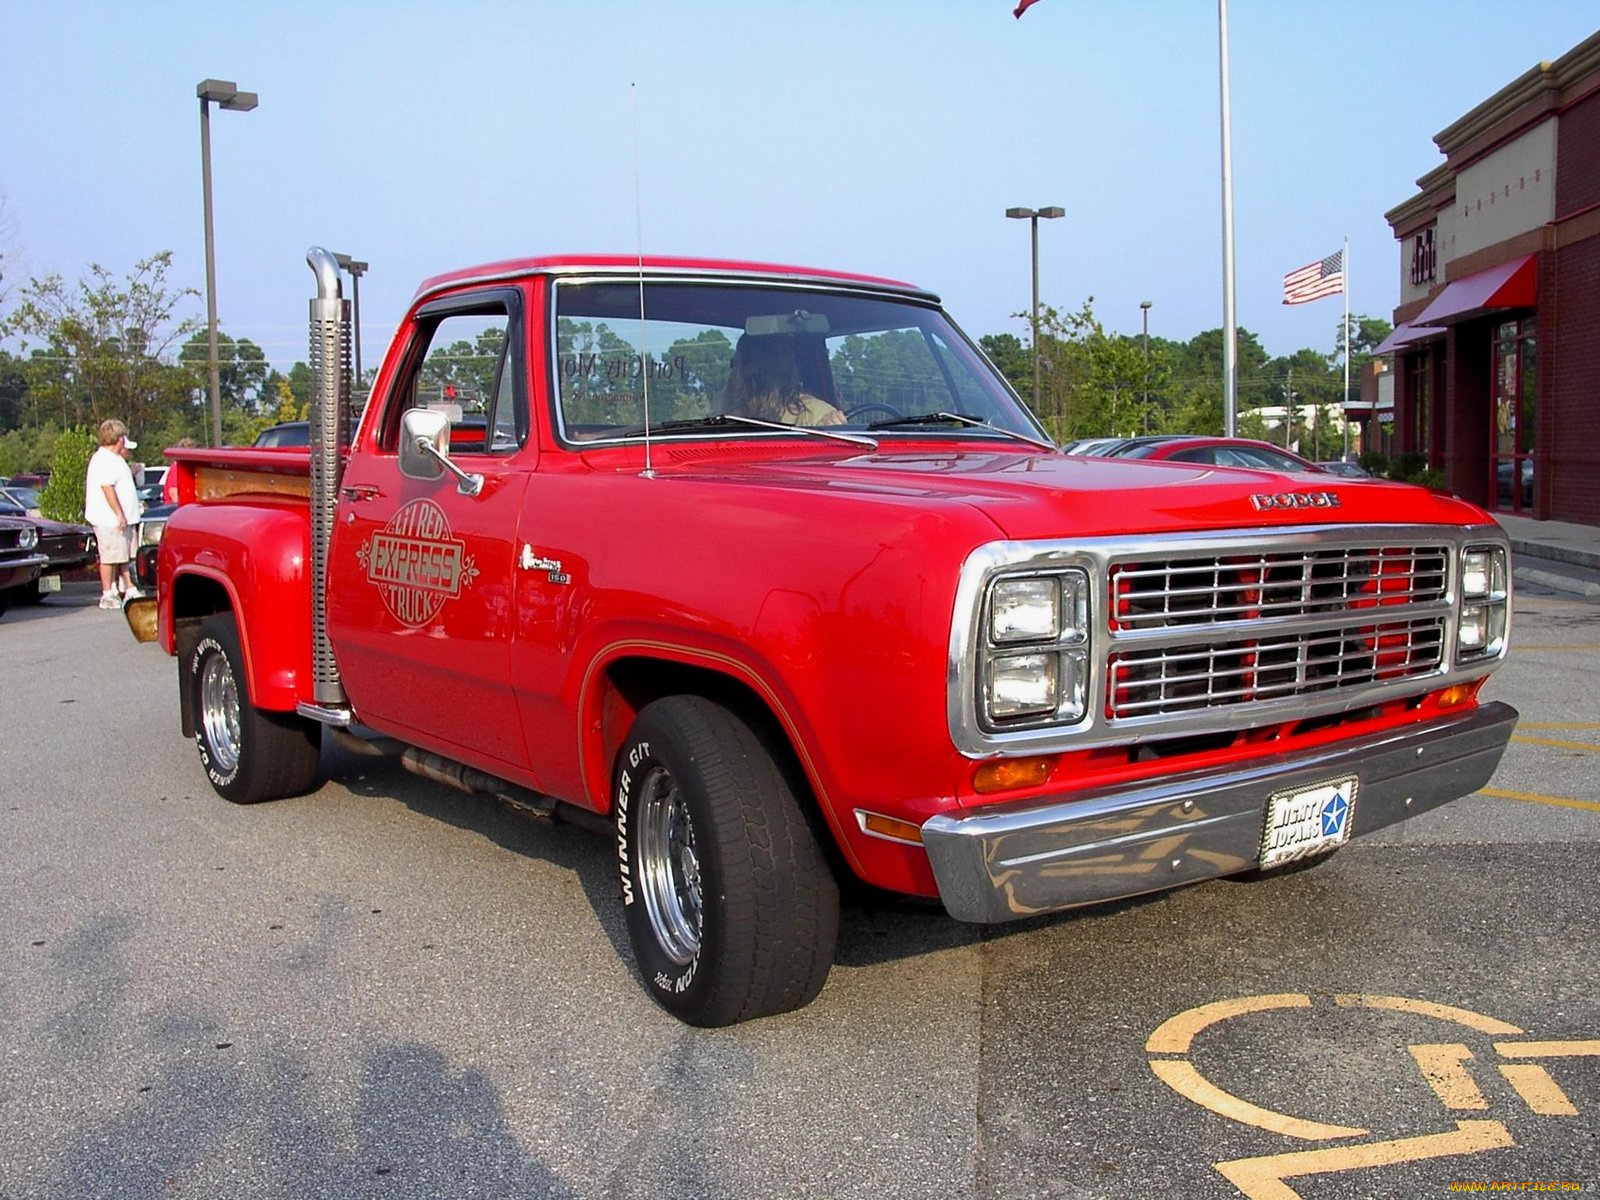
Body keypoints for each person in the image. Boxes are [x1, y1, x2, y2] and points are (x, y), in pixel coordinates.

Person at [720, 335, 847, 427]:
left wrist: (832, 424)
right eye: (735, 365)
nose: (741, 374)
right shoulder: (729, 416)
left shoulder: (815, 414)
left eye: (752, 366)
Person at [83, 418, 143, 609]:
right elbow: (107, 489)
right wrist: (119, 514)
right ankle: (107, 593)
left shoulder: (115, 459)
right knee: (110, 556)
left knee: (124, 554)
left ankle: (130, 587)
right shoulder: (103, 460)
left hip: (123, 519)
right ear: (119, 438)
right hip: (109, 520)